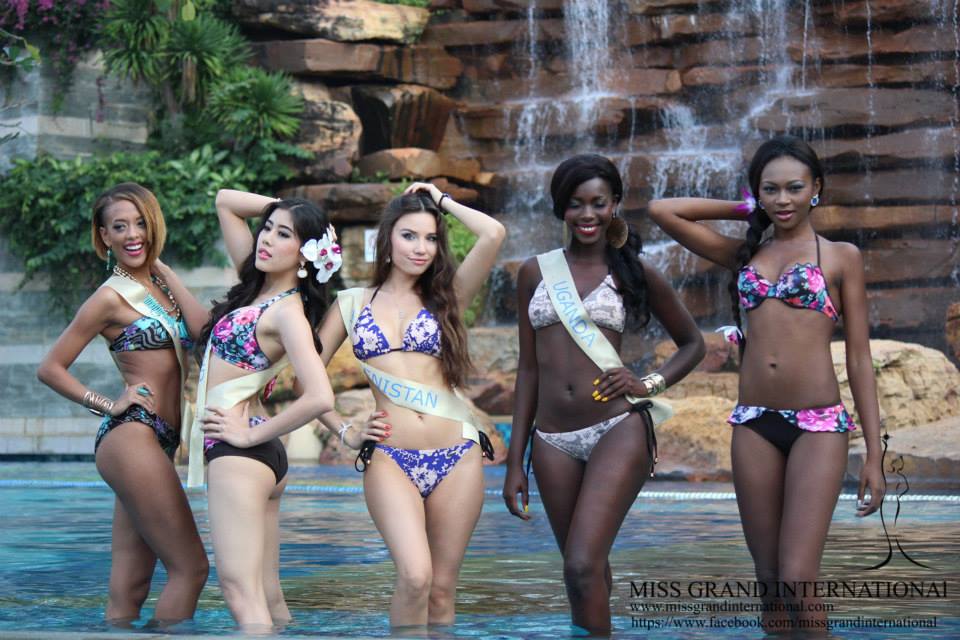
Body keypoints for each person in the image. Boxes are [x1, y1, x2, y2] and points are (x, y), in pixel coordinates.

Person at [648, 135, 886, 632]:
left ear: (816, 188)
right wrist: (743, 208)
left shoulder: (841, 256)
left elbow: (860, 359)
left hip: (818, 425)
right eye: (770, 189)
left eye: (795, 187)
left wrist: (875, 456)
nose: (783, 200)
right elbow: (662, 211)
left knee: (798, 577)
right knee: (771, 581)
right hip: (754, 422)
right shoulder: (745, 253)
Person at [502, 154, 705, 634]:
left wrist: (647, 384)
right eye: (576, 204)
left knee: (580, 565)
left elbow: (693, 344)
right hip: (552, 440)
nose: (587, 214)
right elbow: (528, 371)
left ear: (614, 204)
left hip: (617, 428)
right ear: (561, 208)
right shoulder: (534, 272)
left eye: (598, 202)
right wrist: (515, 462)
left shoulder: (633, 271)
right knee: (584, 572)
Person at [314, 182, 505, 630]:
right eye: (409, 235)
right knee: (416, 577)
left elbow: (493, 233)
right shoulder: (350, 304)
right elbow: (308, 378)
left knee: (441, 589)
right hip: (391, 457)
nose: (421, 248)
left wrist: (441, 200)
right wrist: (344, 430)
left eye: (431, 238)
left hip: (457, 455)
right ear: (387, 239)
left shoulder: (448, 297)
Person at [188, 189, 376, 633]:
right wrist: (291, 211)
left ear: (305, 253)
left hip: (241, 451)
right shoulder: (256, 289)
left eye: (284, 234)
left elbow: (319, 396)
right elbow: (225, 202)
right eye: (267, 228)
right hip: (257, 456)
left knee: (239, 589)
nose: (267, 239)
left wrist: (250, 435)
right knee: (268, 594)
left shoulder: (288, 312)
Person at [37, 183, 208, 625]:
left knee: (130, 587)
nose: (132, 235)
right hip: (132, 436)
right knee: (191, 569)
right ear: (104, 236)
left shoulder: (160, 286)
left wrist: (164, 271)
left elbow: (203, 333)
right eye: (119, 227)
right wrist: (107, 403)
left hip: (160, 442)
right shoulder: (109, 297)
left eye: (140, 224)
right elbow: (51, 368)